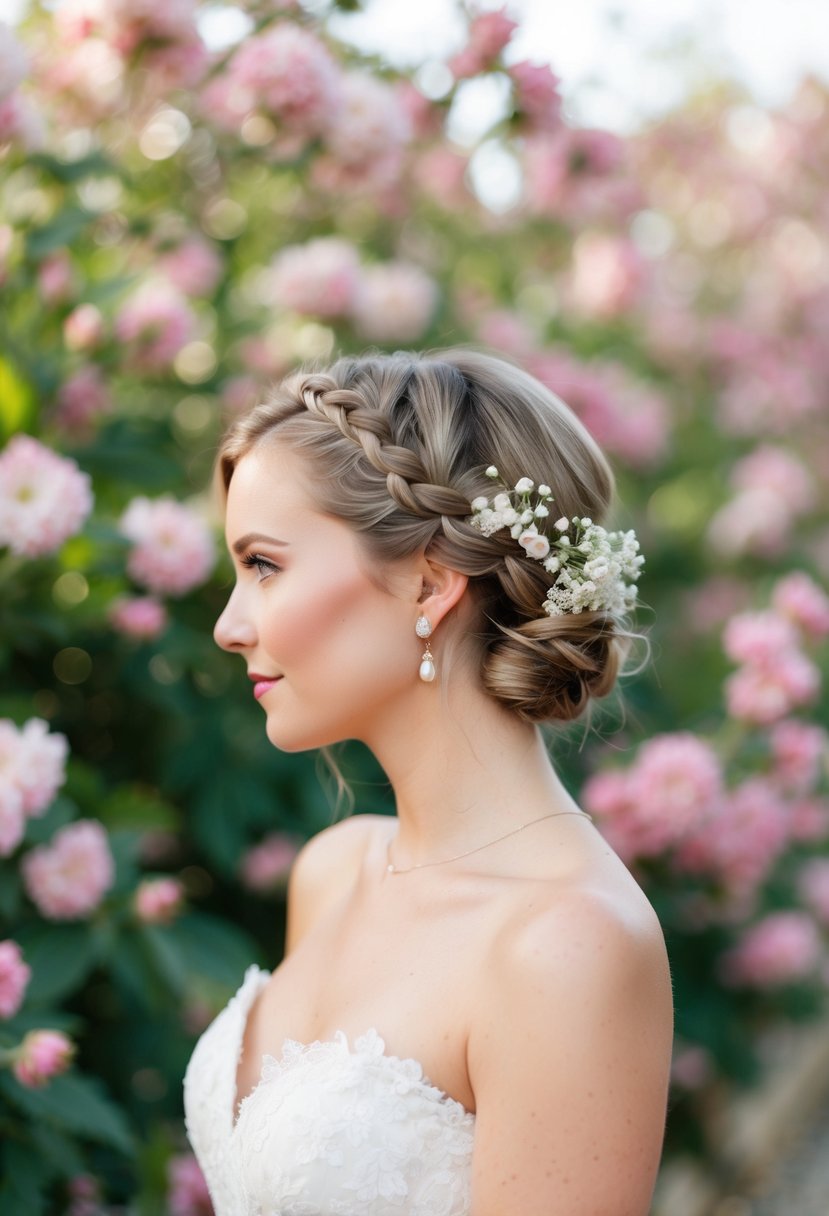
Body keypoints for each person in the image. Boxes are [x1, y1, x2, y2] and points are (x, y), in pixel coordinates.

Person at [183, 348, 673, 1216]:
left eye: (263, 564)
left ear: (431, 581)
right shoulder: (333, 871)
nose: (227, 625)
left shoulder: (567, 945)